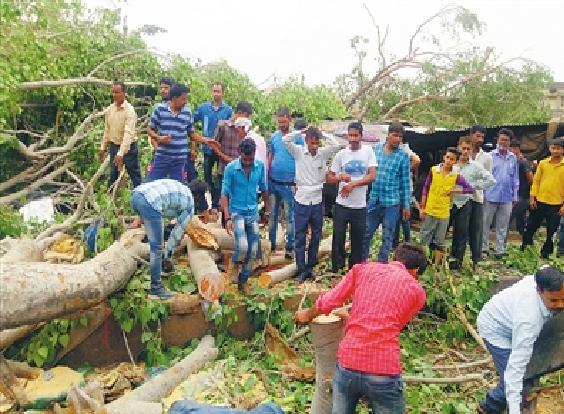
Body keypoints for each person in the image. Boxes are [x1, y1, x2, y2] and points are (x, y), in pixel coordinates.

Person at [293, 243, 428, 413]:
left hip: (348, 364)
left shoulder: (362, 270)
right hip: (384, 370)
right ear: (415, 271)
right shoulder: (417, 292)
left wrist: (307, 314)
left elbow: (329, 301)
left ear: (395, 258)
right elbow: (391, 327)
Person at [477, 265, 564, 414]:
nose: (561, 304)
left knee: (529, 372)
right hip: (495, 329)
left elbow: (545, 267)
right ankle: (489, 407)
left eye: (563, 299)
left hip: (514, 317)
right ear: (539, 291)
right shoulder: (528, 320)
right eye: (554, 300)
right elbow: (514, 372)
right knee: (513, 381)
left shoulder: (547, 276)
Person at [282, 126, 342, 282]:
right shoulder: (299, 152)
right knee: (300, 236)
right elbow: (285, 139)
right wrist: (301, 131)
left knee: (316, 235)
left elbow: (336, 145)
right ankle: (301, 268)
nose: (314, 146)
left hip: (317, 201)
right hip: (301, 199)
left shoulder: (322, 153)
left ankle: (310, 267)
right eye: (311, 142)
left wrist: (324, 134)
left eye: (316, 143)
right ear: (306, 141)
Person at [131, 179, 195, 299]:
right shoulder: (190, 207)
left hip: (136, 195)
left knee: (154, 241)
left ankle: (157, 269)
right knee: (157, 248)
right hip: (150, 202)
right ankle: (156, 288)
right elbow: (175, 237)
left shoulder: (183, 190)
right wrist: (167, 258)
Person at [221, 138, 269, 294]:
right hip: (237, 212)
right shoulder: (231, 169)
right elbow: (224, 194)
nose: (247, 162)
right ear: (240, 154)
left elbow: (264, 189)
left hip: (252, 212)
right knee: (242, 246)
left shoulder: (260, 166)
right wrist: (227, 217)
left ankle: (243, 282)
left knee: (254, 250)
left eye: (250, 159)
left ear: (254, 154)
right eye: (245, 159)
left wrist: (267, 210)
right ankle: (234, 263)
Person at [327, 121, 376, 272]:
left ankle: (354, 270)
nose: (353, 138)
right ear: (347, 136)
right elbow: (329, 178)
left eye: (356, 135)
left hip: (359, 206)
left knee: (357, 240)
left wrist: (353, 184)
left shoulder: (368, 152)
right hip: (342, 204)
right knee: (338, 238)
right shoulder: (341, 154)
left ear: (361, 136)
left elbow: (372, 176)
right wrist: (340, 177)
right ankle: (337, 269)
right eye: (350, 135)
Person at [147, 83, 217, 183]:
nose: (185, 102)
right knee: (151, 184)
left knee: (177, 187)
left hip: (179, 160)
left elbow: (192, 134)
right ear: (175, 98)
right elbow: (149, 129)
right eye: (183, 99)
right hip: (162, 157)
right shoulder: (160, 110)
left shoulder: (187, 113)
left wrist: (206, 141)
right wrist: (159, 138)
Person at [363, 122, 411, 262]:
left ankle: (382, 265)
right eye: (394, 135)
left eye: (400, 137)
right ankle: (362, 262)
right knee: (367, 233)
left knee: (387, 236)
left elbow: (405, 182)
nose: (397, 139)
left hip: (392, 203)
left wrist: (406, 205)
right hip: (374, 200)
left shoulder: (403, 156)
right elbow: (367, 172)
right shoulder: (375, 150)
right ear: (388, 135)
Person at [419, 147, 473, 263]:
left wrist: (454, 191)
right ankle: (422, 262)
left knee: (440, 239)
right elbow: (426, 188)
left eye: (452, 159)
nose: (448, 161)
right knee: (425, 236)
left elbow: (469, 189)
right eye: (447, 157)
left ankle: (437, 265)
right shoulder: (434, 170)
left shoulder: (455, 175)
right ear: (444, 157)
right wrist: (422, 207)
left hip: (444, 212)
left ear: (456, 161)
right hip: (430, 209)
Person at [449, 136, 496, 270]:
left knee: (462, 233)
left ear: (471, 150)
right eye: (463, 148)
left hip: (466, 202)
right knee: (445, 232)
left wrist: (472, 186)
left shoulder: (476, 166)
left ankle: (457, 262)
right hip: (449, 202)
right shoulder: (452, 164)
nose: (465, 151)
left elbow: (491, 181)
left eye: (468, 149)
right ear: (458, 148)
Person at [267, 107, 304, 258]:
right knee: (272, 215)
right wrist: (267, 175)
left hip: (290, 184)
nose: (281, 124)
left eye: (284, 121)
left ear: (290, 119)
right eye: (279, 121)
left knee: (290, 217)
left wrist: (299, 181)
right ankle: (270, 245)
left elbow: (302, 159)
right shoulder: (274, 137)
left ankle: (290, 247)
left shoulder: (298, 138)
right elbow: (270, 156)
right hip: (273, 182)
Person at [521, 137, 564, 258]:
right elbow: (536, 182)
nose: (555, 151)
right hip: (539, 201)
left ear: (563, 150)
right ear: (550, 149)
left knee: (551, 231)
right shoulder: (543, 163)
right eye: (553, 148)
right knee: (530, 227)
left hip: (556, 204)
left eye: (558, 149)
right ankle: (525, 248)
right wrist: (532, 198)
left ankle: (545, 253)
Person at [193, 82, 233, 208]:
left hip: (221, 150)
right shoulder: (203, 108)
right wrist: (195, 143)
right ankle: (211, 203)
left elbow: (232, 125)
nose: (216, 94)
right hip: (207, 149)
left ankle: (219, 203)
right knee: (207, 176)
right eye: (214, 91)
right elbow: (190, 123)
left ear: (223, 93)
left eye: (218, 91)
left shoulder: (228, 110)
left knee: (220, 176)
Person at [482, 128, 519, 259]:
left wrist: (515, 196)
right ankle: (484, 248)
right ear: (497, 140)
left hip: (507, 197)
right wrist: (484, 194)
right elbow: (484, 176)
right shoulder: (489, 156)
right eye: (502, 139)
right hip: (490, 195)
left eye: (507, 140)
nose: (504, 142)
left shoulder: (513, 158)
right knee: (485, 223)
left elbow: (515, 178)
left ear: (510, 142)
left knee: (503, 225)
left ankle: (499, 249)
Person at [98, 81, 142, 189]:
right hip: (114, 146)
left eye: (117, 92)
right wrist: (103, 147)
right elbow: (107, 130)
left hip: (129, 149)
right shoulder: (110, 110)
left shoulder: (129, 111)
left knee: (135, 175)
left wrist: (121, 153)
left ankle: (142, 196)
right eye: (113, 92)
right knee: (113, 175)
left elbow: (128, 134)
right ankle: (110, 200)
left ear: (124, 93)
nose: (114, 95)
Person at [213, 101, 254, 205]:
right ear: (239, 113)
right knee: (224, 198)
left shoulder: (245, 128)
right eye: (246, 116)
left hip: (240, 170)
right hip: (224, 169)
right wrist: (225, 158)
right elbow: (214, 146)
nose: (247, 119)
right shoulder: (223, 126)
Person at [469, 125, 493, 264]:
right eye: (477, 136)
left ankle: (475, 259)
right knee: (459, 230)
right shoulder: (462, 152)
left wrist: (474, 186)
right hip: (459, 198)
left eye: (482, 137)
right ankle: (455, 259)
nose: (480, 139)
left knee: (476, 229)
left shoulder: (487, 158)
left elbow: (488, 179)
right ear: (471, 135)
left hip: (477, 197)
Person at [393, 138, 421, 248]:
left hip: (404, 189)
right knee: (396, 218)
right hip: (395, 189)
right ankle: (395, 244)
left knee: (404, 217)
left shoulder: (404, 149)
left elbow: (417, 160)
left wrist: (406, 169)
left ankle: (407, 243)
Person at [509, 140, 534, 236]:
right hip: (517, 195)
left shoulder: (523, 162)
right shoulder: (513, 161)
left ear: (516, 149)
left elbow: (531, 179)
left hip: (522, 196)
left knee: (508, 218)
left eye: (510, 149)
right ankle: (526, 242)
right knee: (520, 221)